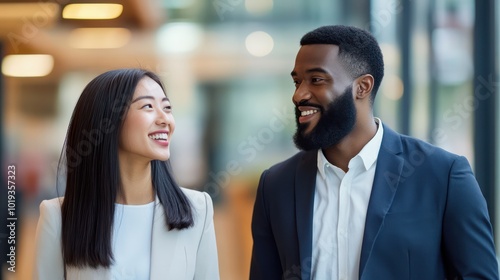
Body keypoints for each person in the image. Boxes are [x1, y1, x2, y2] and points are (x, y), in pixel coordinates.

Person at [250, 25, 498, 279]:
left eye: (316, 80)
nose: (298, 94)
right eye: (297, 81)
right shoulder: (275, 185)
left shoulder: (443, 176)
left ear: (363, 87)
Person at [34, 69, 220, 280]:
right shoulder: (58, 217)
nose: (165, 119)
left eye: (167, 108)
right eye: (148, 106)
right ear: (106, 120)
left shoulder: (198, 209)